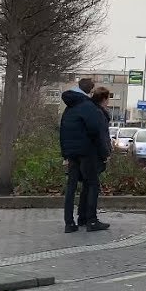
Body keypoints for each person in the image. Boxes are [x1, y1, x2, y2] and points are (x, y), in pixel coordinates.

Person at [60, 78, 110, 233]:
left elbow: (62, 131)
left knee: (71, 187)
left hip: (72, 153)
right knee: (92, 184)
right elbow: (96, 131)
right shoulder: (88, 106)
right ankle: (91, 221)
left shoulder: (69, 107)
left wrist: (65, 154)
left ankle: (70, 223)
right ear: (89, 90)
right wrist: (104, 153)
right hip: (87, 153)